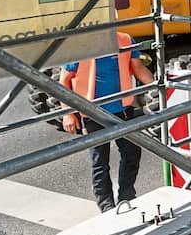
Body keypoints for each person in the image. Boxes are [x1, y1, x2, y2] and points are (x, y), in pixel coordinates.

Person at [59, 31, 155, 212]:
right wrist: (67, 113)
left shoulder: (125, 39)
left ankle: (126, 197)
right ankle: (106, 206)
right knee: (99, 161)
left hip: (123, 110)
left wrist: (162, 89)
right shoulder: (80, 43)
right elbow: (64, 80)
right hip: (92, 112)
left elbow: (139, 69)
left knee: (132, 152)